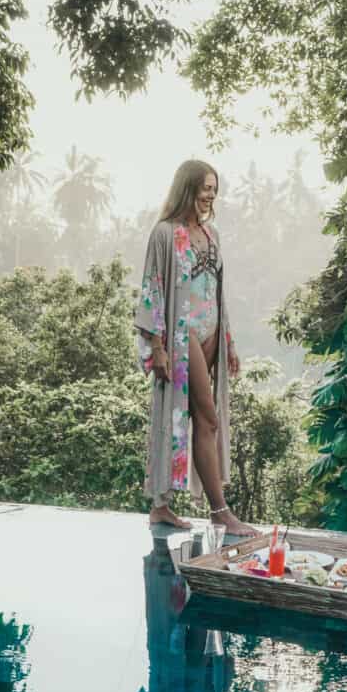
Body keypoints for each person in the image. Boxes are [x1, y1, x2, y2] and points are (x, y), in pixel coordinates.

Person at [135, 159, 255, 535]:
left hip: (212, 334)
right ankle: (220, 510)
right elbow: (152, 287)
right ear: (187, 188)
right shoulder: (165, 234)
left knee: (199, 419)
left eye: (214, 189)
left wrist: (229, 341)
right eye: (205, 187)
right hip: (182, 334)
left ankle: (162, 506)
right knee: (206, 418)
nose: (210, 195)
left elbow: (219, 293)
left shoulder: (211, 233)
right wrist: (157, 345)